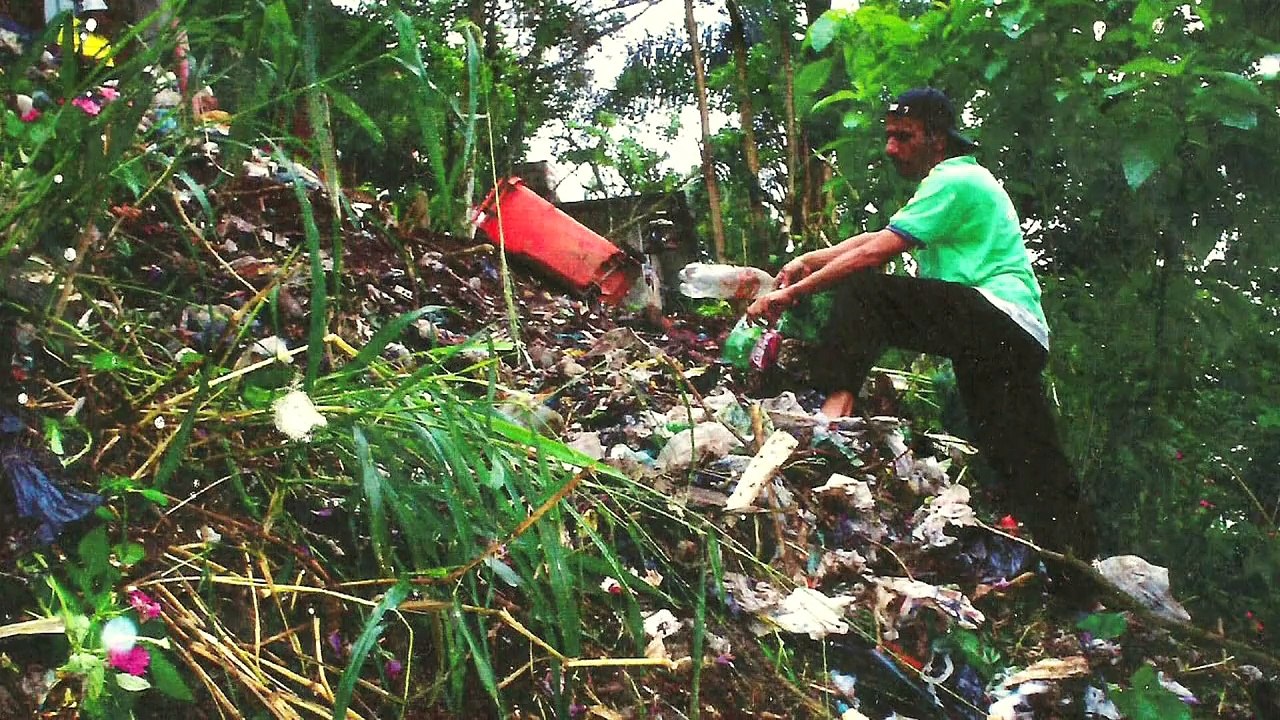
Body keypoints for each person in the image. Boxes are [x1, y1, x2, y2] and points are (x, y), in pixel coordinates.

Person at [747, 87, 1097, 563]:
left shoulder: (954, 179)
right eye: (889, 136)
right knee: (1020, 451)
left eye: (903, 137)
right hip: (1012, 336)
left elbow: (876, 252)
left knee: (866, 292)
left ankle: (834, 414)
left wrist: (790, 293)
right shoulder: (953, 184)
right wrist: (808, 260)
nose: (891, 148)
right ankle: (1080, 571)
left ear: (937, 139)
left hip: (996, 316)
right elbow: (876, 236)